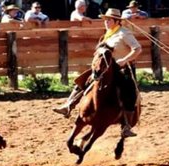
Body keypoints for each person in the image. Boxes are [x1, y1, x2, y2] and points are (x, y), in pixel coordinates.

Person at [53, 8, 142, 138]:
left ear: (117, 21)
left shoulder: (124, 33)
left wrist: (124, 60)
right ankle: (68, 105)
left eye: (109, 20)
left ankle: (126, 126)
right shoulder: (107, 34)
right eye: (105, 20)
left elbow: (137, 49)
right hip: (105, 68)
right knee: (83, 80)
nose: (106, 22)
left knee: (129, 92)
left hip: (122, 69)